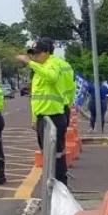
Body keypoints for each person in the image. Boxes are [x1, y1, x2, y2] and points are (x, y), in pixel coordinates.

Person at [17, 38, 68, 185]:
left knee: (56, 156)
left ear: (46, 52)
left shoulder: (52, 64)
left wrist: (30, 63)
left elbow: (52, 78)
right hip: (42, 118)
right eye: (32, 54)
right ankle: (51, 188)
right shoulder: (39, 70)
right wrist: (34, 118)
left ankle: (60, 189)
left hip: (54, 117)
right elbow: (36, 98)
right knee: (47, 155)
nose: (34, 56)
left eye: (37, 53)